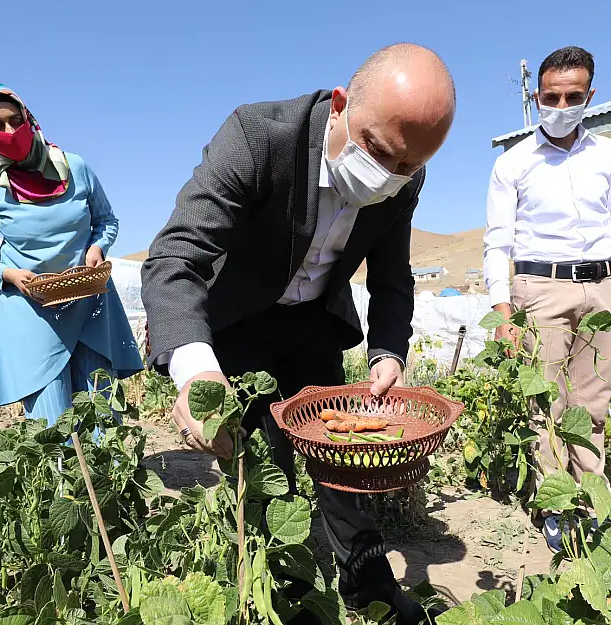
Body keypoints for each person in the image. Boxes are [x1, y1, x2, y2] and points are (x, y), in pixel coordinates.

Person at [141, 44, 455, 624]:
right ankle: (281, 593)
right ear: (339, 106)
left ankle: (370, 588)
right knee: (261, 465)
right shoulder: (259, 137)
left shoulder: (404, 178)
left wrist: (388, 350)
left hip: (312, 325)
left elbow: (393, 276)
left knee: (344, 459)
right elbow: (174, 257)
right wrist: (196, 372)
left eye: (405, 167)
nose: (387, 175)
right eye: (378, 152)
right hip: (238, 324)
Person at [482, 47, 611, 552]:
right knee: (548, 404)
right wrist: (503, 310)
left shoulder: (608, 154)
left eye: (573, 96)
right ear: (536, 96)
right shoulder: (514, 163)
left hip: (604, 286)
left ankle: (591, 502)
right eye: (551, 96)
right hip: (539, 290)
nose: (561, 105)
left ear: (590, 96)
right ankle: (557, 508)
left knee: (592, 403)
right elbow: (498, 241)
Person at [0, 81, 143, 424]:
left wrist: (97, 247)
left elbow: (106, 221)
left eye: (15, 119)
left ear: (28, 117)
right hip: (30, 310)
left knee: (102, 412)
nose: (10, 131)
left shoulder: (74, 167)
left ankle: (114, 477)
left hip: (88, 299)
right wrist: (10, 275)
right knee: (51, 425)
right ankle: (59, 481)